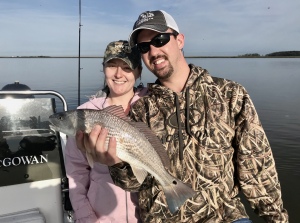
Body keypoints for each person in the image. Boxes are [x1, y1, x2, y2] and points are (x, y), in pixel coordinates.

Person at [76, 11, 289, 223]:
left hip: (226, 217)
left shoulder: (230, 94)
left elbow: (258, 170)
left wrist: (277, 218)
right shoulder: (140, 109)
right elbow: (134, 184)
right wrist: (116, 164)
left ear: (179, 40)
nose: (153, 51)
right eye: (144, 46)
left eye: (160, 39)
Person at [65, 40, 147, 223]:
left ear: (138, 72)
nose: (118, 74)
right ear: (103, 69)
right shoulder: (83, 114)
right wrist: (87, 218)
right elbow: (76, 174)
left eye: (127, 67)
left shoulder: (154, 106)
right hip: (102, 217)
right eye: (111, 65)